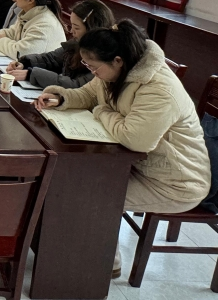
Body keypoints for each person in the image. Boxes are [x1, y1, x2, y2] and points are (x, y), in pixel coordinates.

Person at [34, 21, 210, 278]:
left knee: (95, 195)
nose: (92, 73)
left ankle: (105, 265)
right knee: (71, 178)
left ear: (117, 61)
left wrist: (102, 111)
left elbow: (135, 139)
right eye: (87, 66)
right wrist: (61, 98)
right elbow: (87, 95)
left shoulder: (160, 89)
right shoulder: (116, 69)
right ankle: (58, 247)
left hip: (175, 181)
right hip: (134, 164)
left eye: (93, 67)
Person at [7, 0, 114, 89]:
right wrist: (25, 63)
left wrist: (31, 74)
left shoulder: (104, 56)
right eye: (72, 26)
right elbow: (51, 58)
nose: (71, 31)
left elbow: (76, 85)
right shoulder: (76, 43)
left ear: (92, 29)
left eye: (76, 28)